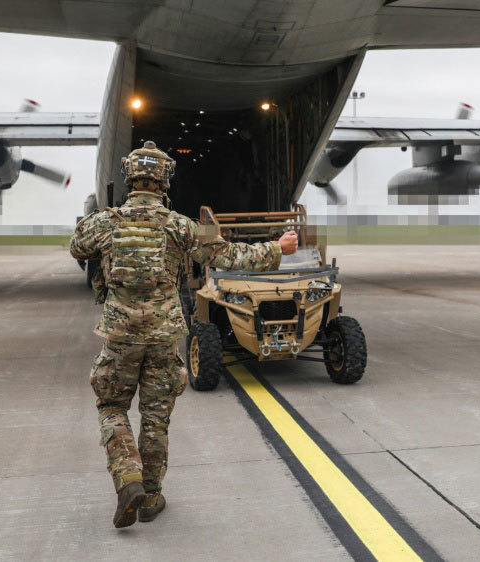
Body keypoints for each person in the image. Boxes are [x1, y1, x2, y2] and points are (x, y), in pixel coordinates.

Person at [69, 140, 298, 528]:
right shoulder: (179, 225)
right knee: (156, 418)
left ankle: (128, 478)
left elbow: (77, 246)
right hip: (162, 335)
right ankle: (151, 496)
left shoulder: (105, 221)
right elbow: (229, 257)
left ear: (130, 177)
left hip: (120, 336)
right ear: (164, 180)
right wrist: (277, 248)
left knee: (112, 408)